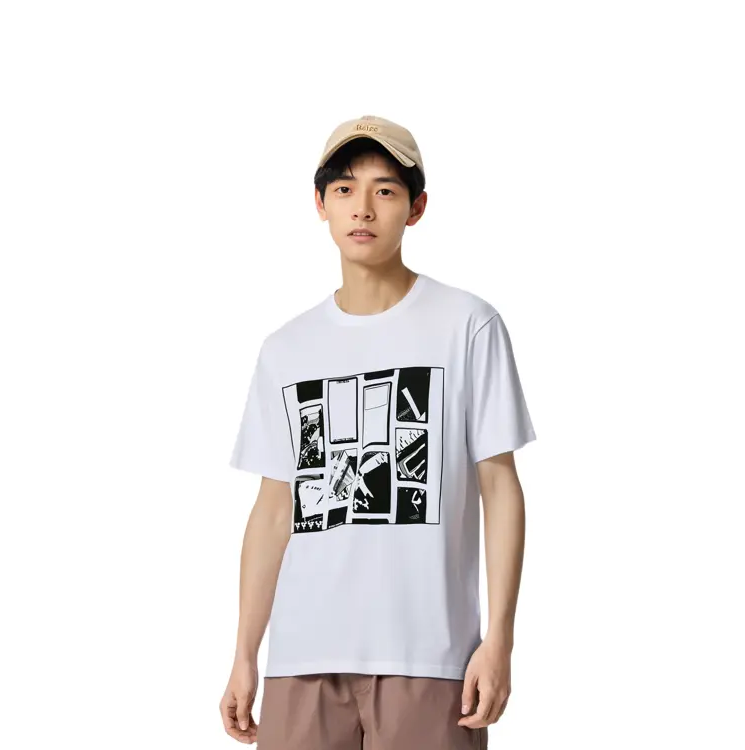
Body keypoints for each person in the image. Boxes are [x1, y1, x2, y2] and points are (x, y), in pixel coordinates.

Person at [219, 114, 536, 749]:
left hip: (431, 658)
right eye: (344, 189)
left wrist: (500, 638)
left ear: (416, 208)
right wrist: (245, 654)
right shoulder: (286, 349)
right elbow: (275, 509)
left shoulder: (467, 325)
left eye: (385, 190)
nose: (362, 207)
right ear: (320, 204)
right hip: (302, 660)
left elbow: (500, 488)